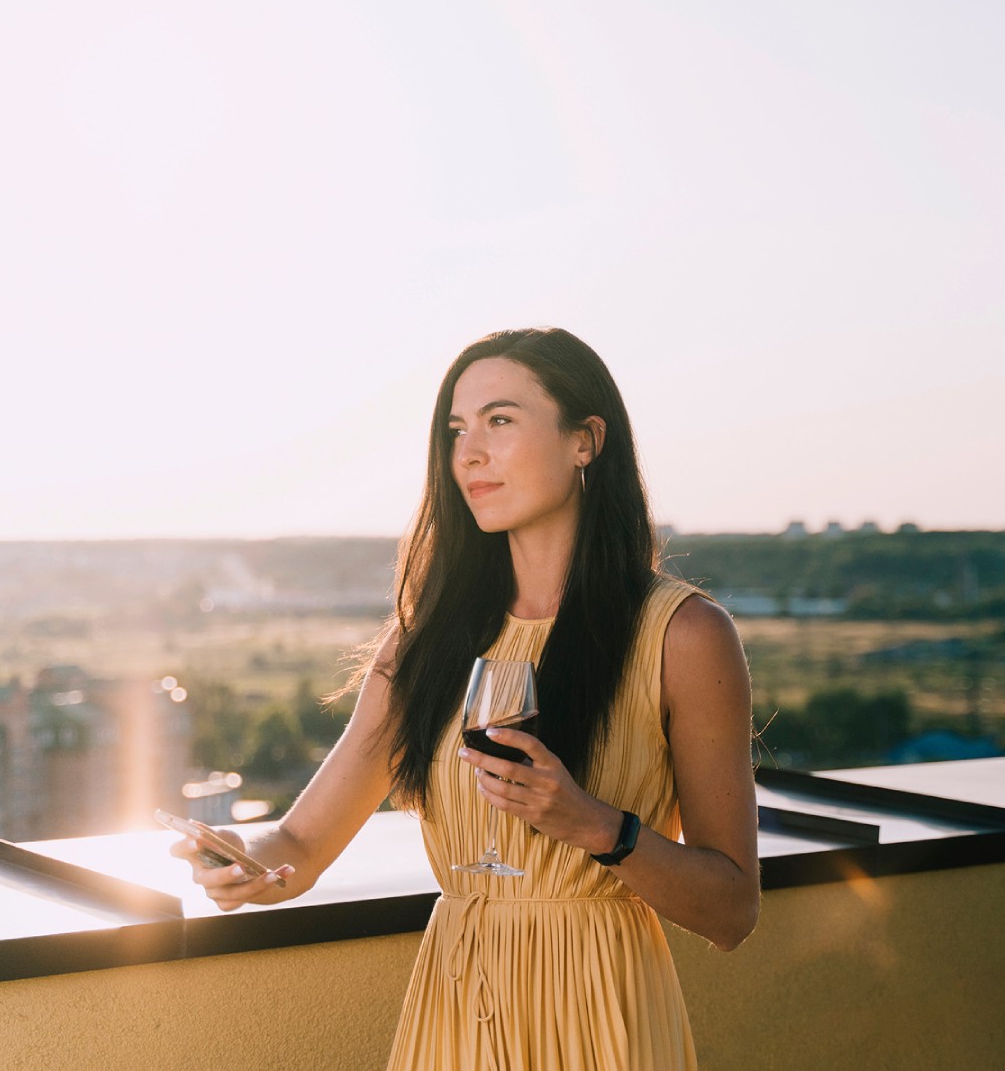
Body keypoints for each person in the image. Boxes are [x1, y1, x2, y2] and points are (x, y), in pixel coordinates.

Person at [172, 327, 760, 1069]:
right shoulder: (428, 639)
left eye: (501, 420)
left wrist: (593, 824)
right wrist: (240, 863)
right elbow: (299, 843)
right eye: (457, 429)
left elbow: (733, 910)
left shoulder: (684, 634)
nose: (469, 452)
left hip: (602, 1020)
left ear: (586, 439)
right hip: (452, 1020)